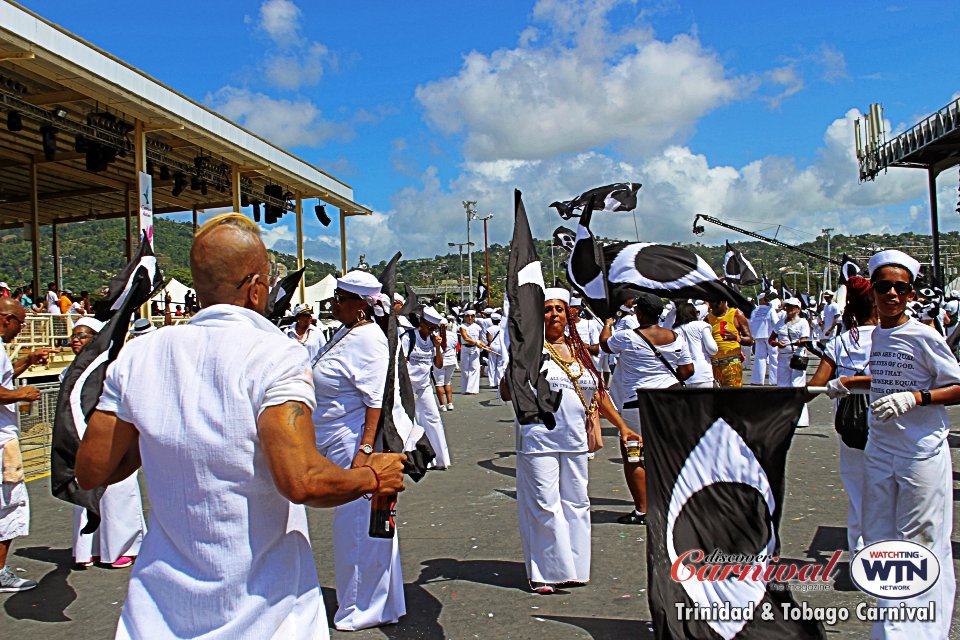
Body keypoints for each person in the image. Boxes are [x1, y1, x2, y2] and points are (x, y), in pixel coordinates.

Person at [75, 213, 406, 639]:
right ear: (255, 288)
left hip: (158, 612)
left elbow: (92, 471)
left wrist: (161, 422)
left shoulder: (140, 354)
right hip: (266, 611)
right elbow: (301, 482)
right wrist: (371, 476)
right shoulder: (274, 354)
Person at [827, 250, 959, 639]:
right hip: (880, 447)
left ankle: (923, 631)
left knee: (923, 538)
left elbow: (955, 384)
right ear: (874, 293)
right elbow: (890, 379)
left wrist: (917, 399)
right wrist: (851, 384)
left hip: (919, 450)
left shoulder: (923, 334)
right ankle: (891, 628)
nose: (892, 294)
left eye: (901, 288)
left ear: (911, 293)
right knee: (881, 537)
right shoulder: (880, 334)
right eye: (884, 287)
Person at [501, 288, 638, 594]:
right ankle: (545, 573)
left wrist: (622, 427)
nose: (554, 314)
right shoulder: (530, 350)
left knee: (577, 503)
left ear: (569, 315)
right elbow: (507, 392)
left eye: (559, 309)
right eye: (548, 309)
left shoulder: (579, 351)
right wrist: (518, 361)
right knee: (545, 505)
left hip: (575, 439)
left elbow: (599, 394)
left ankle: (573, 567)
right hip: (538, 438)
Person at [310, 270, 405, 631]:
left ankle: (361, 608)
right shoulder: (345, 333)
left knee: (357, 529)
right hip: (337, 443)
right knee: (359, 527)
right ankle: (378, 602)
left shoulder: (367, 340)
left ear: (361, 306)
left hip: (354, 447)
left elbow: (375, 400)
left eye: (341, 299)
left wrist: (365, 449)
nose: (334, 304)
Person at [600, 292, 694, 525]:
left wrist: (607, 324)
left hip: (636, 404)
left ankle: (643, 509)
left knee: (634, 458)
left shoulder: (627, 337)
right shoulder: (675, 336)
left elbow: (604, 345)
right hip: (668, 403)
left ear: (639, 313)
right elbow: (687, 370)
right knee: (667, 455)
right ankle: (672, 506)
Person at [62, 318, 147, 569]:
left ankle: (107, 549)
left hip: (101, 436)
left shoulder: (102, 368)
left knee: (113, 495)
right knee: (98, 493)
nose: (76, 341)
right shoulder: (82, 370)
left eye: (83, 336)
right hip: (91, 438)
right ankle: (99, 550)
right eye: (74, 336)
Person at [807, 276, 876, 557]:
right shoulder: (895, 338)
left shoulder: (841, 342)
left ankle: (860, 549)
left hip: (850, 425)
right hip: (891, 421)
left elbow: (815, 385)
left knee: (858, 488)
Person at [0, 298, 48, 592]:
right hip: (2, 439)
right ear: (6, 319)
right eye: (20, 322)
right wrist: (21, 395)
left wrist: (27, 361)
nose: (21, 330)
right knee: (10, 504)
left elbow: (4, 377)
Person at [403, 306, 451, 469]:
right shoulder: (409, 337)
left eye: (434, 329)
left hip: (424, 386)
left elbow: (438, 365)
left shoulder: (432, 340)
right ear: (421, 323)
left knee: (433, 418)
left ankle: (439, 458)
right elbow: (400, 362)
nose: (431, 331)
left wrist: (438, 347)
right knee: (410, 422)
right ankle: (414, 460)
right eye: (430, 328)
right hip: (407, 386)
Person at [769, 297, 811, 427]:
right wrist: (777, 343)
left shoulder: (803, 322)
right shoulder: (780, 323)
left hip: (797, 356)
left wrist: (800, 342)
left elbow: (805, 340)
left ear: (797, 309)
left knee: (797, 384)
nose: (788, 310)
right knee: (783, 385)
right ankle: (784, 416)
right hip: (783, 356)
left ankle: (801, 418)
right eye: (787, 307)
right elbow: (771, 340)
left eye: (792, 307)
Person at [706, 299, 754, 387]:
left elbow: (750, 340)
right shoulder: (707, 318)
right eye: (711, 303)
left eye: (716, 303)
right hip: (714, 365)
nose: (713, 306)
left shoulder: (736, 314)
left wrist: (736, 338)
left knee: (733, 396)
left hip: (732, 364)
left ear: (723, 301)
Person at [673, 301, 718, 387]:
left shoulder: (674, 331)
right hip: (703, 374)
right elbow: (713, 350)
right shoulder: (702, 325)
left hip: (684, 374)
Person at [748, 292, 780, 385]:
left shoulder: (755, 311)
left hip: (758, 336)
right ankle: (775, 380)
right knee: (774, 357)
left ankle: (758, 380)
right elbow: (776, 322)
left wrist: (753, 335)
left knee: (759, 358)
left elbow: (751, 323)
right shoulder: (771, 310)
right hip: (770, 336)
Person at [433, 316, 458, 412]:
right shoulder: (454, 335)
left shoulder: (434, 335)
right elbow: (455, 345)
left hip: (439, 360)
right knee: (448, 382)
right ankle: (450, 403)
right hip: (451, 360)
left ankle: (442, 405)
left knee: (439, 383)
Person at [459, 309, 485, 395]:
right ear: (465, 317)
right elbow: (465, 338)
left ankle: (472, 389)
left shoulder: (478, 327)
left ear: (474, 317)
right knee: (465, 369)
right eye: (468, 316)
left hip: (475, 349)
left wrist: (485, 346)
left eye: (472, 316)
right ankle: (465, 388)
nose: (470, 318)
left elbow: (480, 340)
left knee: (475, 368)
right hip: (465, 349)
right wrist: (476, 342)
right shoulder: (463, 326)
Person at [485, 313, 504, 389]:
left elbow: (489, 339)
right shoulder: (502, 328)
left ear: (492, 320)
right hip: (501, 346)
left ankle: (492, 383)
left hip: (493, 346)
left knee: (492, 365)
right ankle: (499, 382)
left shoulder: (489, 329)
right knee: (500, 365)